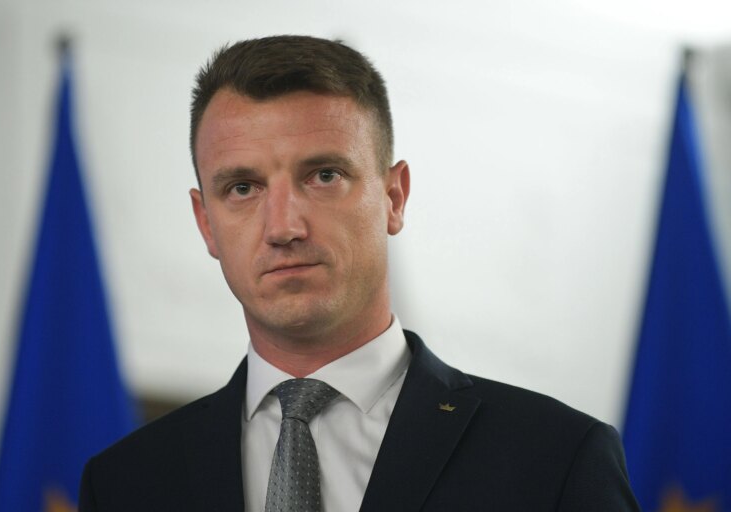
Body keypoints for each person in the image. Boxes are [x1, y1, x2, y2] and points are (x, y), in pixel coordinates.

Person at [79, 35, 640, 512]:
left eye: (324, 175)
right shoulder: (125, 483)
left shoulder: (556, 458)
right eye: (242, 188)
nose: (283, 227)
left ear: (394, 197)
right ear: (206, 223)